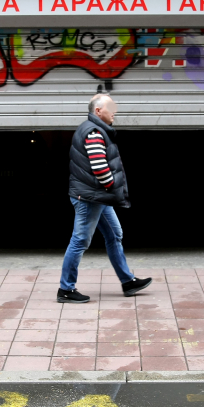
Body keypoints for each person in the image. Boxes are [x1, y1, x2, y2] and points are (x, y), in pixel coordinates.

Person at [58, 93, 152, 303]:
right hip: (91, 197)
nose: (114, 112)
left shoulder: (94, 129)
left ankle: (127, 281)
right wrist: (111, 185)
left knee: (114, 234)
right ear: (98, 111)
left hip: (96, 196)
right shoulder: (93, 132)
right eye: (111, 107)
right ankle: (66, 289)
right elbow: (100, 168)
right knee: (80, 240)